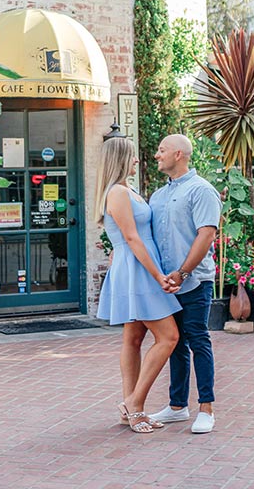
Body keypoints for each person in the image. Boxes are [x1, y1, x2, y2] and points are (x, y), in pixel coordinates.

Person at [94, 135, 181, 434]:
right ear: (120, 159)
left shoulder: (126, 190)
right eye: (131, 156)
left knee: (133, 339)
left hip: (133, 267)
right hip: (138, 270)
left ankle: (133, 411)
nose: (137, 160)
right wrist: (158, 275)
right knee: (169, 337)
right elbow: (131, 238)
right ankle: (134, 403)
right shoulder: (117, 192)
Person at [147, 134, 222, 434]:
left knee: (197, 340)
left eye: (161, 150)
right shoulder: (157, 196)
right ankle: (177, 406)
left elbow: (206, 235)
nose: (156, 155)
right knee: (173, 343)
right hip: (166, 284)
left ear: (179, 154)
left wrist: (183, 272)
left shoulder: (201, 191)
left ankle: (207, 408)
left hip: (194, 281)